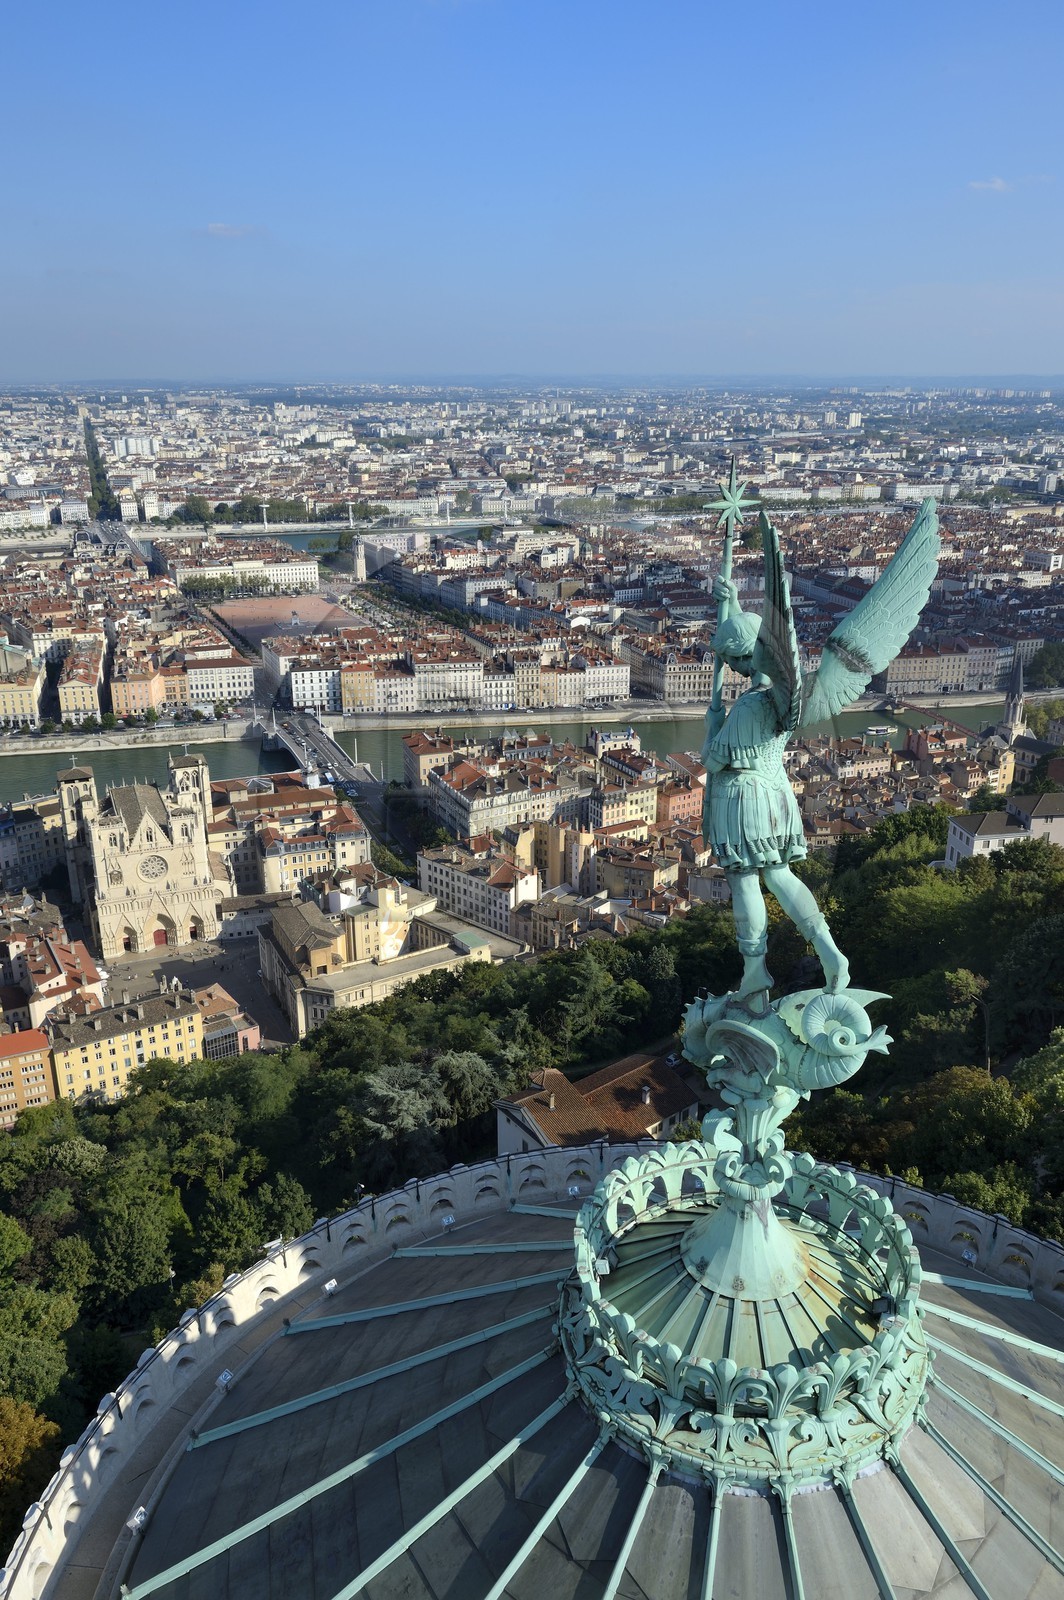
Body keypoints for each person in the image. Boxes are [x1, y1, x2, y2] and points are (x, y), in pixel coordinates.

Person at [703, 573, 848, 1003]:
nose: (730, 669)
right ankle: (829, 951)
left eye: (732, 661)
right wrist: (730, 605)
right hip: (776, 794)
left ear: (745, 656)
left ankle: (754, 972)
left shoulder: (748, 707)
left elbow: (714, 760)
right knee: (780, 875)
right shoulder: (781, 696)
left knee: (746, 881)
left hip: (743, 798)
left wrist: (712, 727)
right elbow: (755, 649)